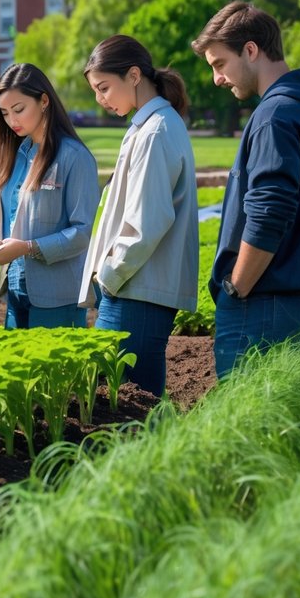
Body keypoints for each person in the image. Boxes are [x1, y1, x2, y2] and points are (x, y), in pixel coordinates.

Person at [192, 1, 300, 378]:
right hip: (290, 294)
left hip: (263, 297)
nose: (217, 78)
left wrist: (236, 288)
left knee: (244, 423)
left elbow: (269, 211)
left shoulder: (275, 115)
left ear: (251, 50)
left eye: (220, 64)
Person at [79, 35, 199, 396]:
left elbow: (149, 220)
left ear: (133, 75)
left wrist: (109, 276)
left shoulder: (155, 131)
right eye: (95, 92)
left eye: (104, 88)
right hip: (137, 288)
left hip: (136, 290)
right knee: (133, 402)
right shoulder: (152, 126)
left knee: (124, 405)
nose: (101, 100)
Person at [0, 63, 99, 329]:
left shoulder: (75, 157)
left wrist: (28, 248)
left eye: (19, 110)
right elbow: (15, 220)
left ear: (44, 100)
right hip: (16, 289)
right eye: (5, 113)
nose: (12, 121)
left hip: (57, 295)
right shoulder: (17, 155)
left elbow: (83, 233)